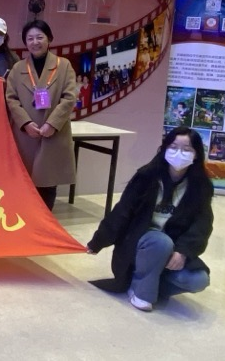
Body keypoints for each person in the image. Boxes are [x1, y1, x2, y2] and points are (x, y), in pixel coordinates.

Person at [86, 127, 213, 312]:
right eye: (174, 147)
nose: (179, 153)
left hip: (173, 248)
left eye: (187, 149)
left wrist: (183, 251)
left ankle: (149, 283)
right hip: (141, 244)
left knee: (198, 280)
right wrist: (98, 241)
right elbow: (122, 212)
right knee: (160, 242)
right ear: (164, 148)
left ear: (196, 155)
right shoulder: (146, 177)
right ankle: (140, 292)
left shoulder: (200, 186)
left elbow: (202, 224)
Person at [5, 20, 77, 210]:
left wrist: (52, 124)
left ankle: (45, 220)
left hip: (52, 134)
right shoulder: (18, 68)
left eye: (39, 37)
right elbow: (11, 99)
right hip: (26, 135)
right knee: (23, 182)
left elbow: (69, 97)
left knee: (47, 183)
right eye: (30, 38)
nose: (35, 42)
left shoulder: (64, 66)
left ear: (49, 39)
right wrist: (25, 123)